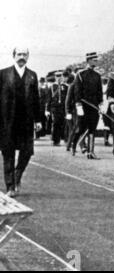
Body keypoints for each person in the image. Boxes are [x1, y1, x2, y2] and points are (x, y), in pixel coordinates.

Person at [0, 47, 42, 197]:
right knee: (8, 153)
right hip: (7, 121)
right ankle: (10, 186)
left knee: (27, 152)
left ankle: (17, 176)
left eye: (24, 54)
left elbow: (36, 99)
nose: (22, 57)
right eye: (19, 54)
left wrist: (38, 119)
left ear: (28, 56)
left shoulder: (32, 75)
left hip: (26, 121)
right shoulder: (3, 74)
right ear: (13, 56)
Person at [72, 52, 103, 160]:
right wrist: (78, 105)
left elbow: (99, 92)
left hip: (94, 106)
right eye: (94, 60)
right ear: (89, 61)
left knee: (92, 129)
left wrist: (101, 104)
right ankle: (75, 145)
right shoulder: (80, 74)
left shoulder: (98, 75)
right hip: (83, 106)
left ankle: (90, 152)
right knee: (82, 128)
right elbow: (77, 92)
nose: (96, 61)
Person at [47, 71, 69, 146]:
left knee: (64, 123)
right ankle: (55, 140)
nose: (59, 77)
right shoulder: (52, 87)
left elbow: (67, 98)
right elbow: (49, 99)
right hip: (55, 107)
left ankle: (65, 139)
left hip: (63, 107)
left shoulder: (66, 87)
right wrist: (47, 110)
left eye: (60, 76)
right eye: (57, 76)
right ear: (55, 77)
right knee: (56, 123)